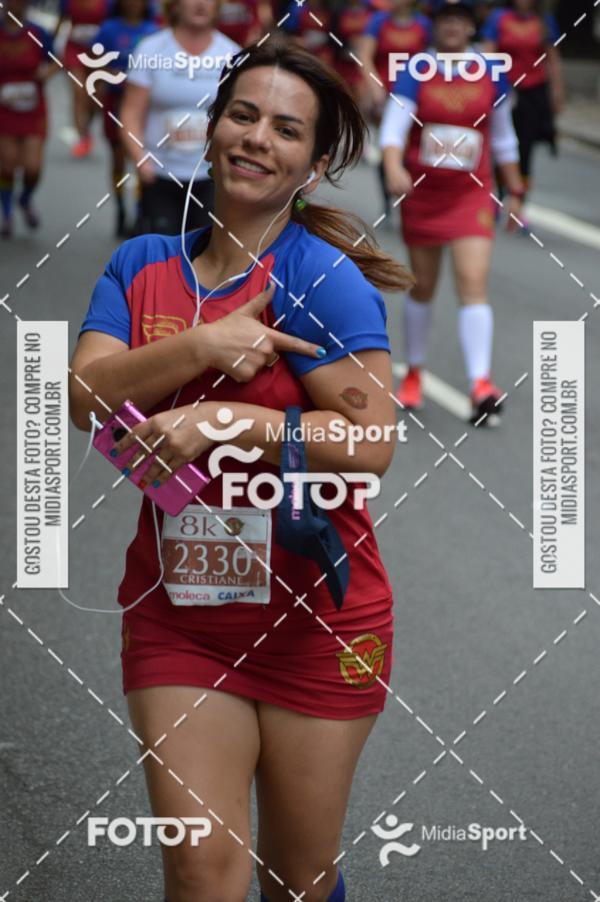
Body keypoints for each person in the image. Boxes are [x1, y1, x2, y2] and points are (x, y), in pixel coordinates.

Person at [69, 37, 412, 902]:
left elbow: (372, 440)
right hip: (179, 618)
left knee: (296, 878)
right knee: (200, 870)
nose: (258, 138)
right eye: (244, 116)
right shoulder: (141, 264)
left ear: (315, 164)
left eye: (287, 130)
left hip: (316, 622)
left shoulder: (321, 279)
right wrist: (205, 345)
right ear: (213, 126)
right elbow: (83, 396)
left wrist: (228, 418)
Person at [381, 0, 525, 423]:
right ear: (436, 25)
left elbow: (504, 138)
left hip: (471, 194)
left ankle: (481, 383)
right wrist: (393, 166)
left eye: (460, 19)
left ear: (470, 27)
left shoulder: (491, 72)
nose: (452, 26)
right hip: (424, 194)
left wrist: (516, 190)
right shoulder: (417, 69)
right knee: (423, 286)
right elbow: (393, 128)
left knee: (473, 281)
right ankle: (414, 374)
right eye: (445, 19)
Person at [120, 0, 239, 235]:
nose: (200, 4)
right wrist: (139, 158)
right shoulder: (151, 49)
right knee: (163, 249)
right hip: (159, 174)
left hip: (210, 176)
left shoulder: (232, 53)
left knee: (203, 249)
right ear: (174, 5)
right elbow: (131, 111)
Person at [480, 0, 564, 206]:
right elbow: (488, 53)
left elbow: (552, 58)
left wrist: (557, 93)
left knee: (525, 148)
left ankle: (519, 201)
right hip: (504, 91)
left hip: (532, 93)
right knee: (499, 144)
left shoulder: (543, 21)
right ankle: (497, 195)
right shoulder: (499, 18)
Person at [358, 0, 431, 215]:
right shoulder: (378, 21)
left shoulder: (424, 25)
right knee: (389, 143)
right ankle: (387, 199)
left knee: (412, 147)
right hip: (386, 95)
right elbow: (364, 56)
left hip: (416, 95)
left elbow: (431, 57)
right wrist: (374, 86)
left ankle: (410, 194)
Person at [94, 0, 159, 236]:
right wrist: (107, 76)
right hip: (116, 101)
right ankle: (121, 207)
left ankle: (141, 212)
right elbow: (94, 63)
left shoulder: (154, 31)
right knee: (119, 158)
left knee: (142, 157)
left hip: (145, 105)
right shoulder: (109, 29)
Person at [0, 0, 58, 237]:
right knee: (7, 165)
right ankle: (7, 213)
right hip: (4, 109)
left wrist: (46, 72)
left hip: (33, 108)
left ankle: (24, 199)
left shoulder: (37, 32)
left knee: (33, 168)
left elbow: (56, 61)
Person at [54, 0, 114, 158]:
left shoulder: (108, 3)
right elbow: (60, 23)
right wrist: (49, 51)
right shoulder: (67, 2)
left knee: (96, 97)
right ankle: (81, 138)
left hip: (99, 52)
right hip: (75, 49)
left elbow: (113, 25)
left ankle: (86, 128)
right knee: (79, 92)